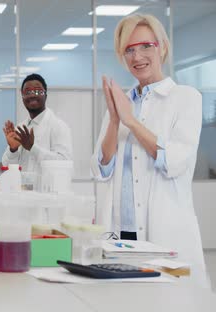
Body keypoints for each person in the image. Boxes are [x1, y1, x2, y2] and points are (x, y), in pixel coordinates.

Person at [91, 14, 208, 287]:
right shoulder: (120, 105)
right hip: (121, 235)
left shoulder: (186, 98)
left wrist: (130, 120)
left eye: (145, 46)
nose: (137, 56)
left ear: (162, 47)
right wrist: (115, 119)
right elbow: (101, 166)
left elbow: (173, 161)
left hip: (165, 232)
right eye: (128, 50)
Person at [1, 74, 72, 171]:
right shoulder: (20, 128)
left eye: (38, 91)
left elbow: (64, 163)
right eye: (28, 92)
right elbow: (7, 165)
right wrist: (13, 149)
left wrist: (32, 148)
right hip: (23, 185)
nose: (33, 95)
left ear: (45, 95)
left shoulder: (58, 126)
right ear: (22, 97)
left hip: (49, 186)